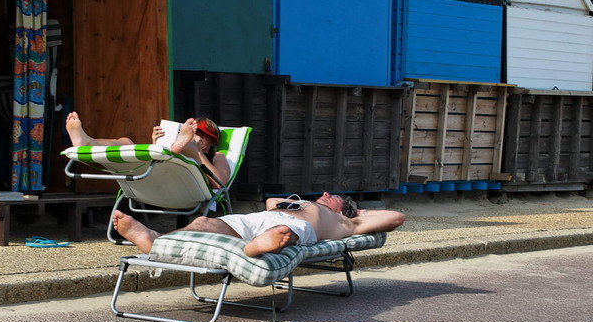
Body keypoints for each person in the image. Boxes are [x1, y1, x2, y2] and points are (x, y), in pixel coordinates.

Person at [112, 192, 405, 258]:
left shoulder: (347, 222)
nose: (325, 194)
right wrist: (297, 202)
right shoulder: (302, 200)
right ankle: (156, 239)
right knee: (204, 221)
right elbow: (270, 202)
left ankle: (257, 248)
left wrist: (357, 211)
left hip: (300, 229)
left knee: (284, 233)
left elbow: (396, 217)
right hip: (258, 220)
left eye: (334, 196)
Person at [65, 111, 230, 187]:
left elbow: (221, 184)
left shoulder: (217, 156)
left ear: (213, 141)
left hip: (181, 184)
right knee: (126, 141)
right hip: (151, 177)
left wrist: (197, 153)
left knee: (179, 151)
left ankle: (181, 150)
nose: (199, 137)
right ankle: (86, 142)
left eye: (204, 135)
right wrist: (155, 143)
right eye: (196, 132)